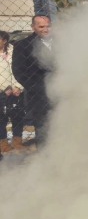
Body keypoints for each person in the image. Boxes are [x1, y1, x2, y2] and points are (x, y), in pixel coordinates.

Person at [11, 14, 52, 147]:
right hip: (39, 96)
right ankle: (46, 159)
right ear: (33, 27)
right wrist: (37, 87)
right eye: (41, 26)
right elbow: (19, 71)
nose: (45, 29)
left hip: (62, 92)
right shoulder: (23, 45)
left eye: (48, 26)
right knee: (43, 128)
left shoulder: (61, 42)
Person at [0, 31, 20, 150]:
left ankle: (18, 141)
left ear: (5, 41)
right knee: (1, 117)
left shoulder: (13, 52)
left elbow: (17, 71)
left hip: (14, 89)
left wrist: (16, 86)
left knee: (17, 115)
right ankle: (3, 142)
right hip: (1, 91)